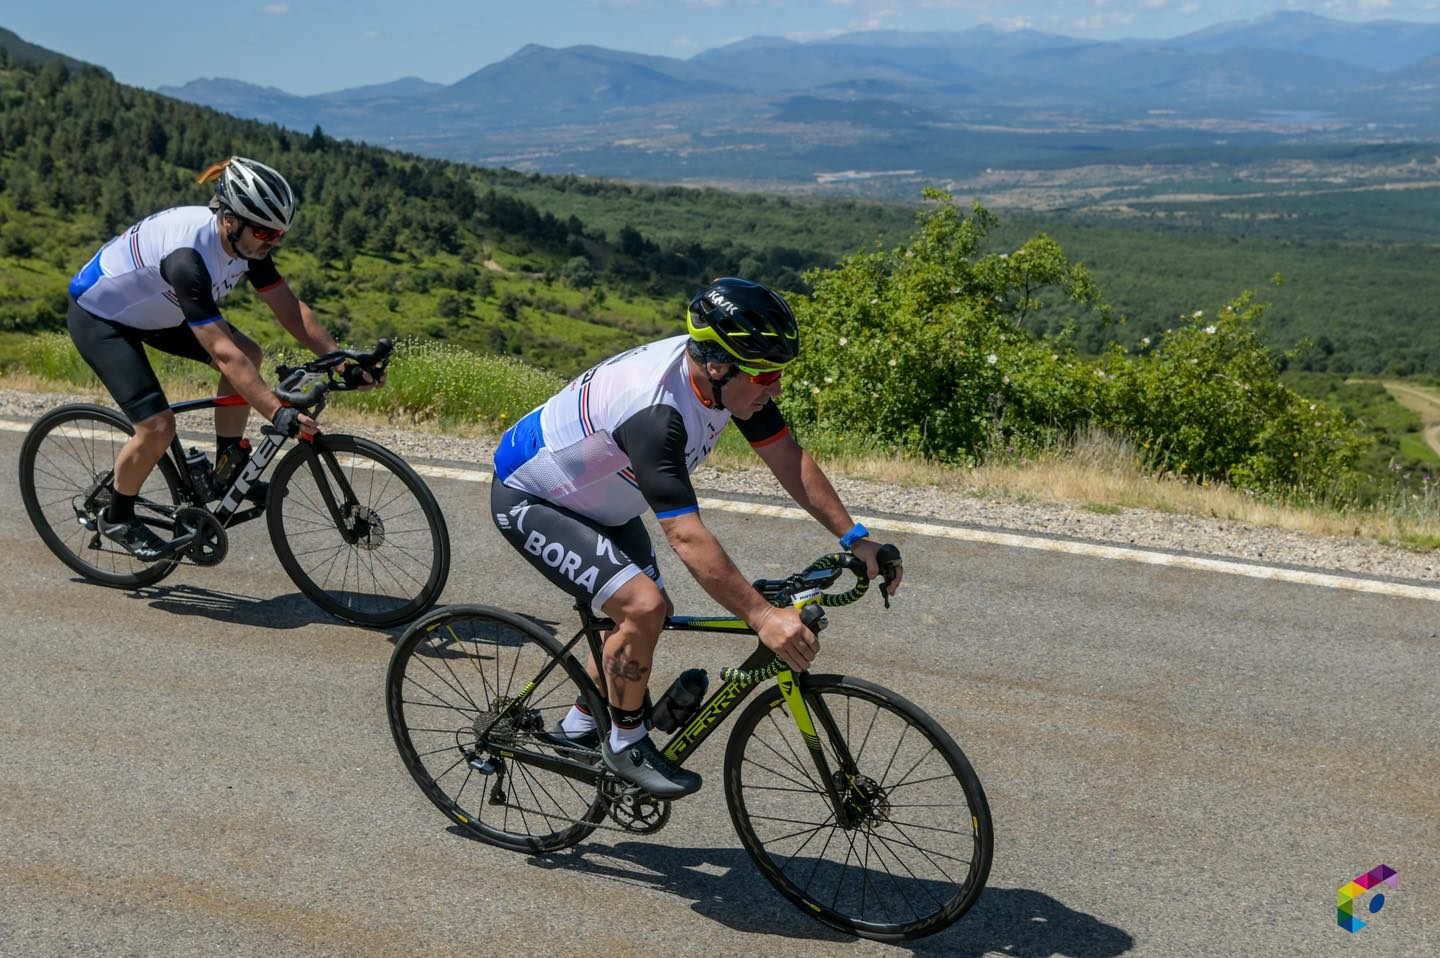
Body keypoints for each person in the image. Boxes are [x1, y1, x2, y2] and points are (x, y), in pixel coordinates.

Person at [490, 276, 903, 798]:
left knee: (647, 614)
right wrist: (762, 617)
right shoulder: (657, 415)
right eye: (766, 374)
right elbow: (685, 536)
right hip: (535, 497)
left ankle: (578, 728)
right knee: (642, 606)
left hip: (602, 502)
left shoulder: (728, 383)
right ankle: (625, 741)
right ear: (716, 365)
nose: (776, 387)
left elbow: (788, 458)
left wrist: (857, 538)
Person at [65, 156, 374, 560]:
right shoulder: (187, 257)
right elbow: (223, 355)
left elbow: (289, 309)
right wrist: (275, 411)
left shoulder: (248, 243)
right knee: (157, 426)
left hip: (158, 311)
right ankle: (119, 516)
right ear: (230, 219)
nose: (272, 241)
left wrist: (341, 362)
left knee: (251, 350)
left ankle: (226, 467)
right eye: (265, 231)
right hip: (102, 318)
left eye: (279, 233)